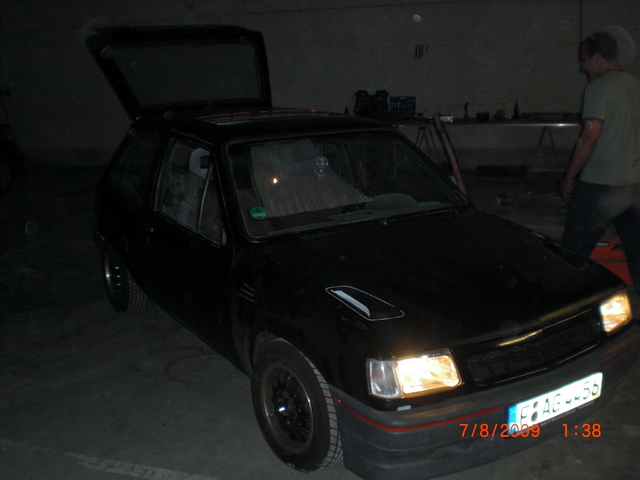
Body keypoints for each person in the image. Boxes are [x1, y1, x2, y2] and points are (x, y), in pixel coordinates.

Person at [559, 31, 640, 294]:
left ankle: (568, 303)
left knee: (573, 253)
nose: (583, 68)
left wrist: (569, 178)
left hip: (601, 186)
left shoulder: (599, 88)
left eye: (584, 60)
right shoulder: (636, 85)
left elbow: (589, 138)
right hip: (635, 186)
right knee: (638, 254)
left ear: (596, 57)